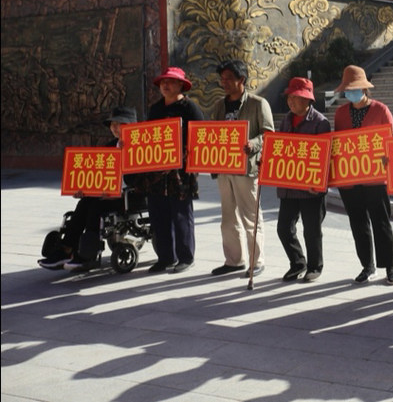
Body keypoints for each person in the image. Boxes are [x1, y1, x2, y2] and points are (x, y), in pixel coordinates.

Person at [38, 106, 139, 272]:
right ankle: (66, 249)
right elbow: (96, 174)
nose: (114, 128)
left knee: (95, 208)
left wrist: (118, 191)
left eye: (119, 124)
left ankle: (88, 255)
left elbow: (139, 180)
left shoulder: (139, 148)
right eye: (112, 124)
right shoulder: (108, 148)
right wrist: (83, 189)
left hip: (128, 197)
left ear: (130, 126)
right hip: (105, 194)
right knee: (84, 203)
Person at [333, 65, 393, 285]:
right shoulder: (341, 113)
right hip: (351, 179)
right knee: (358, 222)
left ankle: (390, 266)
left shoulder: (381, 110)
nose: (350, 93)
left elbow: (392, 141)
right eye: (347, 90)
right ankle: (367, 266)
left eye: (354, 89)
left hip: (375, 178)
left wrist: (386, 162)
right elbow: (338, 143)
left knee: (381, 222)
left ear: (364, 88)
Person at [209, 60, 274, 278]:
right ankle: (234, 260)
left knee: (251, 217)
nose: (224, 83)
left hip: (247, 169)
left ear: (242, 80)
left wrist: (253, 144)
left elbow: (268, 134)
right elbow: (210, 135)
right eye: (222, 79)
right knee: (228, 218)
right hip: (224, 169)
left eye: (229, 78)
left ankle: (257, 261)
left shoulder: (258, 104)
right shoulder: (219, 106)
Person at [143, 67, 204, 273]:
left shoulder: (190, 108)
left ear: (180, 85)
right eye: (163, 83)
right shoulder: (155, 109)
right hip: (157, 172)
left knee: (180, 213)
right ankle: (165, 257)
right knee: (158, 213)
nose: (165, 85)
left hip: (181, 172)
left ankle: (186, 256)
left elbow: (201, 136)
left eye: (170, 82)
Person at [276, 77, 331, 282]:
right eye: (289, 97)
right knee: (283, 228)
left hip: (310, 188)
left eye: (296, 97)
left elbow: (325, 157)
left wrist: (319, 184)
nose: (291, 101)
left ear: (308, 100)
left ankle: (315, 266)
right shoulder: (285, 120)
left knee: (312, 230)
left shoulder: (320, 122)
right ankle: (297, 262)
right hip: (289, 186)